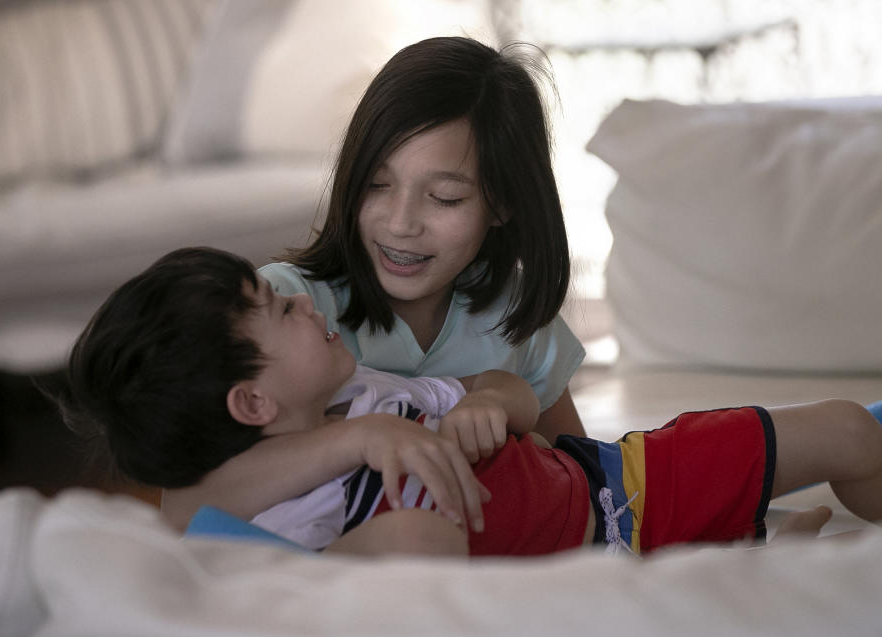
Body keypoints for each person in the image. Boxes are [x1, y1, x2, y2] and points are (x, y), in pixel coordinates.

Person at [56, 247, 882, 556]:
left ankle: (764, 534)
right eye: (280, 311)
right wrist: (357, 450)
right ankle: (761, 543)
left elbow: (518, 395)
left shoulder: (362, 392)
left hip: (621, 487)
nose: (305, 303)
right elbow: (184, 520)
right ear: (251, 402)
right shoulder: (279, 522)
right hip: (593, 559)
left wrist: (491, 400)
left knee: (847, 429)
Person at [182, 36, 587, 534]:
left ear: (502, 203)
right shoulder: (287, 310)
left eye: (444, 198)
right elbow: (179, 509)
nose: (400, 223)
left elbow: (584, 476)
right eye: (376, 184)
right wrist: (361, 438)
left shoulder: (516, 316)